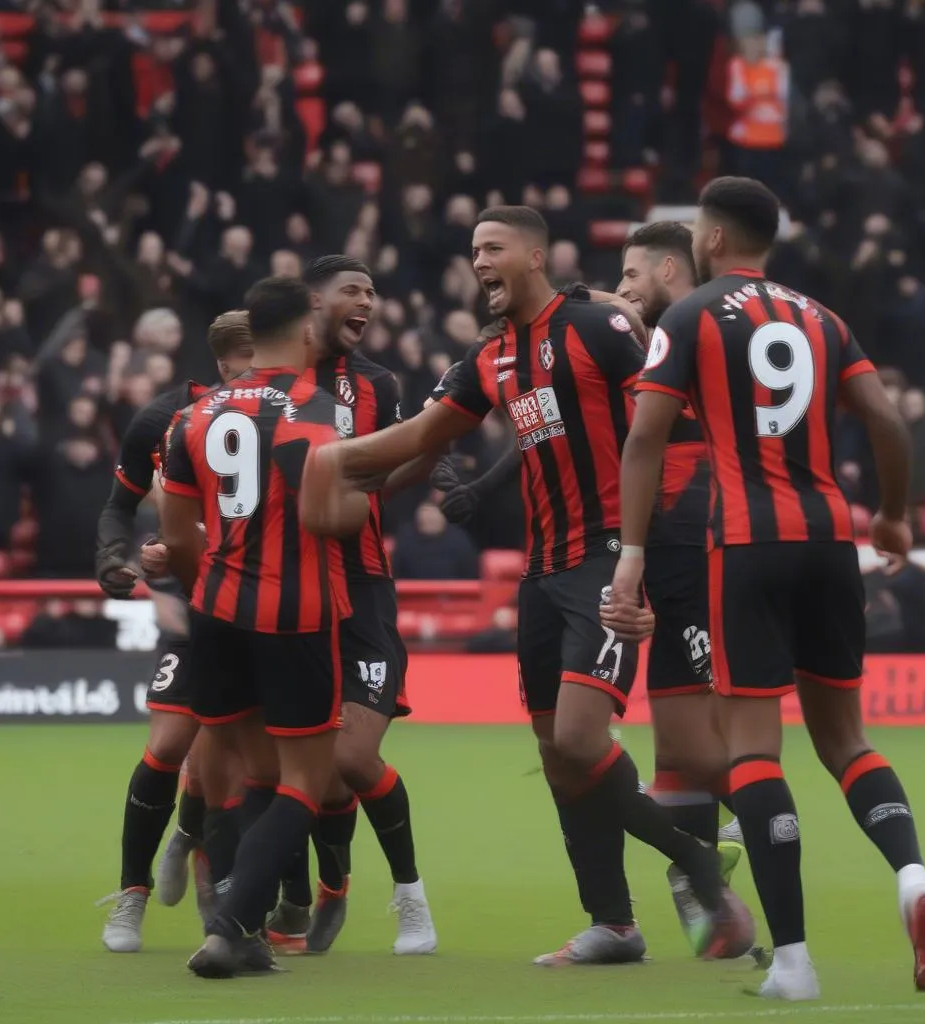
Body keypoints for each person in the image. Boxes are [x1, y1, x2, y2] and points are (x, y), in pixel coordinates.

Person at [302, 206, 744, 966]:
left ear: (534, 257)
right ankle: (614, 924)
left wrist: (654, 549)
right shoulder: (492, 358)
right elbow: (420, 438)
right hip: (541, 571)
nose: (478, 261)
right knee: (556, 751)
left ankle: (698, 864)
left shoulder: (596, 332)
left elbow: (661, 421)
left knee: (578, 738)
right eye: (473, 248)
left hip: (608, 558)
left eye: (492, 248)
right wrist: (334, 463)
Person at [602, 176, 925, 1000]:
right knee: (847, 741)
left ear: (713, 240)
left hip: (747, 541)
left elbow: (646, 437)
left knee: (755, 750)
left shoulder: (688, 317)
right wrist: (894, 519)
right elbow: (889, 422)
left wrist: (630, 553)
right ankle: (913, 877)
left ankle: (793, 963)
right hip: (831, 540)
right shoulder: (821, 317)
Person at [160, 276, 368, 979]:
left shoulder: (197, 413)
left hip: (216, 612)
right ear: (308, 328)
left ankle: (240, 928)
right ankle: (228, 929)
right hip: (296, 614)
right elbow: (328, 510)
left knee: (251, 776)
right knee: (303, 785)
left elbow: (177, 531)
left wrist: (209, 590)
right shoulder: (321, 408)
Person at [263, 254, 437, 957]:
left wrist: (429, 449)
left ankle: (411, 898)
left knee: (352, 757)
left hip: (361, 590)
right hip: (291, 587)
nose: (366, 301)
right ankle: (318, 889)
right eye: (352, 290)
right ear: (314, 300)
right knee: (297, 768)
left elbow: (390, 471)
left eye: (372, 290)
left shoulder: (377, 385)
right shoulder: (275, 385)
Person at [94, 311, 253, 953]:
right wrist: (118, 557)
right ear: (222, 363)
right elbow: (118, 505)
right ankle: (130, 896)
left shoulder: (293, 412)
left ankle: (204, 854)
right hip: (199, 615)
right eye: (249, 360)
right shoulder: (163, 421)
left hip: (269, 612)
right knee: (167, 747)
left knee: (237, 764)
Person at [616, 223, 744, 927]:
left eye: (632, 274)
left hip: (699, 546)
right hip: (665, 556)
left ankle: (759, 815)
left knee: (702, 728)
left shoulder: (700, 334)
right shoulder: (668, 339)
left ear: (669, 268)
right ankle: (699, 890)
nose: (625, 289)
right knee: (673, 744)